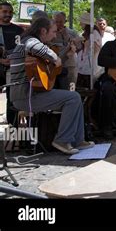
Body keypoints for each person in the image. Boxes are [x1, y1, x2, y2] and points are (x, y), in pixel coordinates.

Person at [7, 17, 94, 154]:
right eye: (53, 31)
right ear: (43, 31)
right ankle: (62, 140)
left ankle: (77, 140)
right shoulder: (29, 41)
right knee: (72, 98)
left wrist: (63, 57)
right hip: (25, 96)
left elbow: (51, 68)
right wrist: (55, 57)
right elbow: (34, 47)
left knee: (74, 98)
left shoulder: (31, 42)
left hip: (32, 94)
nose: (55, 35)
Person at [0, 2, 24, 124]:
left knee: (12, 98)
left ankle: (12, 126)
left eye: (10, 12)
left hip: (13, 69)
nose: (8, 14)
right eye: (5, 11)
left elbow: (23, 48)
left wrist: (14, 60)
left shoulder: (18, 30)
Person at [51, 11, 80, 89]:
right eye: (56, 21)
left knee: (71, 88)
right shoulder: (50, 33)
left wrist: (66, 36)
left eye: (61, 22)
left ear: (65, 21)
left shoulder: (72, 32)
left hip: (69, 65)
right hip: (54, 66)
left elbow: (79, 46)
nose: (58, 24)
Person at [76, 13, 103, 88]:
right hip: (84, 66)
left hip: (90, 67)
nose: (80, 24)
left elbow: (95, 50)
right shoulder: (87, 33)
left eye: (81, 22)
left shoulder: (94, 33)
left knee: (87, 89)